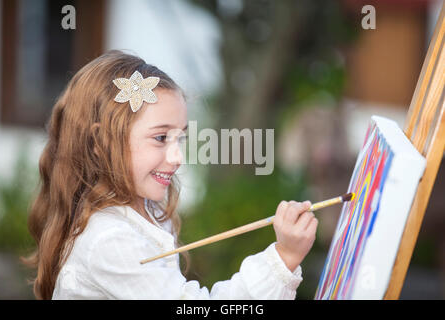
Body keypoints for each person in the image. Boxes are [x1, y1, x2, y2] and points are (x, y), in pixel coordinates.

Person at [22, 50, 318, 300]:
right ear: (102, 143)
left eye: (181, 139)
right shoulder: (110, 239)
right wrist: (282, 259)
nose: (177, 158)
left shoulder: (147, 212)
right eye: (161, 138)